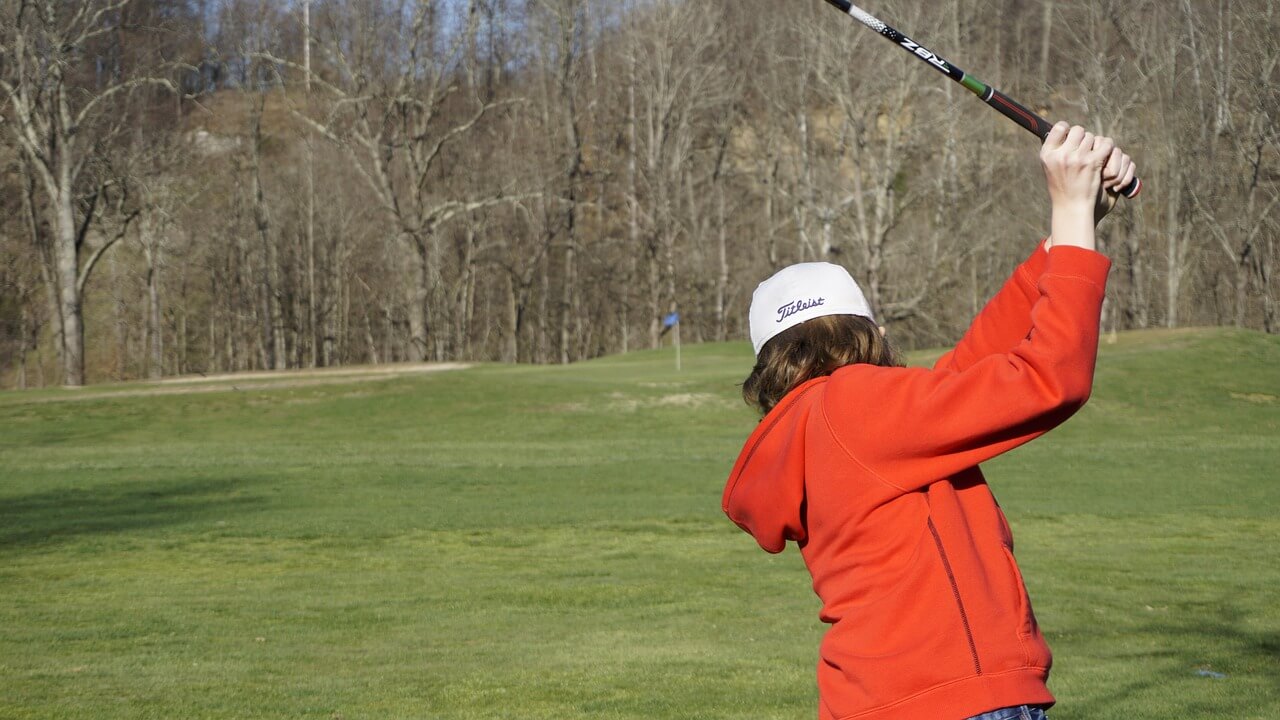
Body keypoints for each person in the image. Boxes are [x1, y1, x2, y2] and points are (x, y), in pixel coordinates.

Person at [722, 123, 1136, 720]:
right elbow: (1050, 377)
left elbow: (972, 369)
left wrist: (1073, 228)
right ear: (871, 332)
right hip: (954, 703)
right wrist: (1069, 210)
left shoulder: (826, 426)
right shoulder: (853, 405)